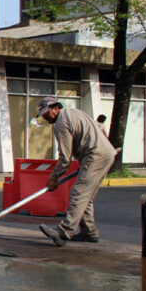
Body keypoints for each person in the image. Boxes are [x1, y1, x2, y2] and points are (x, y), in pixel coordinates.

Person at [37, 97, 117, 247]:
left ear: (55, 108)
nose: (44, 117)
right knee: (85, 195)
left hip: (95, 156)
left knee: (78, 193)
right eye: (42, 115)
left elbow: (65, 158)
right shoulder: (74, 112)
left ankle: (63, 232)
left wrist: (54, 177)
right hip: (104, 154)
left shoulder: (61, 124)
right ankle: (89, 232)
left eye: (46, 113)